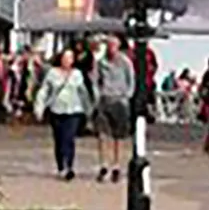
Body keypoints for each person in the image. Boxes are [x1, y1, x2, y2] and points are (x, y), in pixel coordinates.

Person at [35, 47, 93, 180]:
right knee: (59, 140)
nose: (67, 60)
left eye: (70, 58)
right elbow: (44, 90)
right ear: (60, 59)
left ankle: (70, 167)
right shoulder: (52, 73)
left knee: (70, 138)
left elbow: (83, 92)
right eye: (65, 58)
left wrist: (88, 109)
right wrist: (40, 108)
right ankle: (61, 166)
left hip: (74, 110)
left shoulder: (77, 74)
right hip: (57, 109)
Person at [91, 35, 136, 183]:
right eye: (109, 46)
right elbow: (95, 80)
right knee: (102, 135)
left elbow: (131, 80)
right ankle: (103, 164)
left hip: (119, 101)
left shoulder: (125, 62)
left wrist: (126, 97)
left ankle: (116, 165)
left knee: (118, 136)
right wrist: (98, 95)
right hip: (105, 100)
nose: (111, 49)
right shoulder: (100, 62)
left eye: (113, 46)